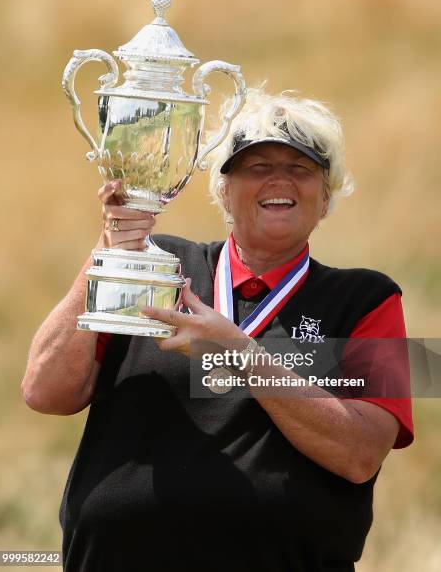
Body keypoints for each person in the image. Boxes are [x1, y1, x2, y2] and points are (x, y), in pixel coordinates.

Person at [22, 87, 414, 572]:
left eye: (301, 168)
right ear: (223, 190)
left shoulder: (370, 298)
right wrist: (111, 253)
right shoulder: (157, 264)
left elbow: (360, 454)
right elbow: (44, 391)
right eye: (257, 167)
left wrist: (236, 351)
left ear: (326, 195)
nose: (279, 180)